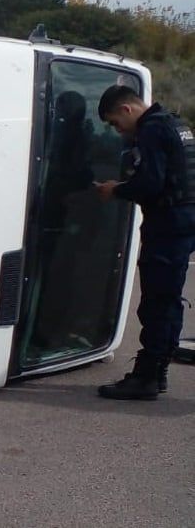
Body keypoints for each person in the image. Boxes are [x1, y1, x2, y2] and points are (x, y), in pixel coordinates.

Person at [93, 85, 195, 400]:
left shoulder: (152, 130)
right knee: (167, 299)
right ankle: (157, 371)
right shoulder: (175, 124)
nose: (118, 131)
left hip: (169, 224)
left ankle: (148, 377)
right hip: (185, 219)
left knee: (156, 303)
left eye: (114, 122)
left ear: (127, 109)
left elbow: (151, 183)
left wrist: (116, 190)